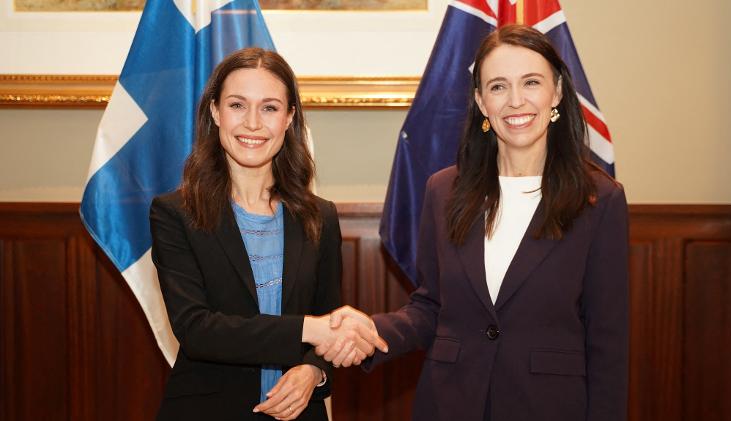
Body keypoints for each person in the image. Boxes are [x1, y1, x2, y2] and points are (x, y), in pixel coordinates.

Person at [318, 25, 629, 421]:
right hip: (449, 403)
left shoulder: (600, 200)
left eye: (531, 82)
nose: (516, 101)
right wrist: (370, 331)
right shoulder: (443, 190)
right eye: (498, 87)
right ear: (481, 102)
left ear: (557, 93)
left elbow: (608, 342)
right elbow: (431, 307)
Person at [150, 47, 386, 421]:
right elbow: (197, 330)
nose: (253, 124)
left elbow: (327, 323)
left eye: (270, 107)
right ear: (214, 111)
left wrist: (313, 372)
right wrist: (311, 330)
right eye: (238, 105)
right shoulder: (175, 214)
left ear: (290, 117)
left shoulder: (318, 216)